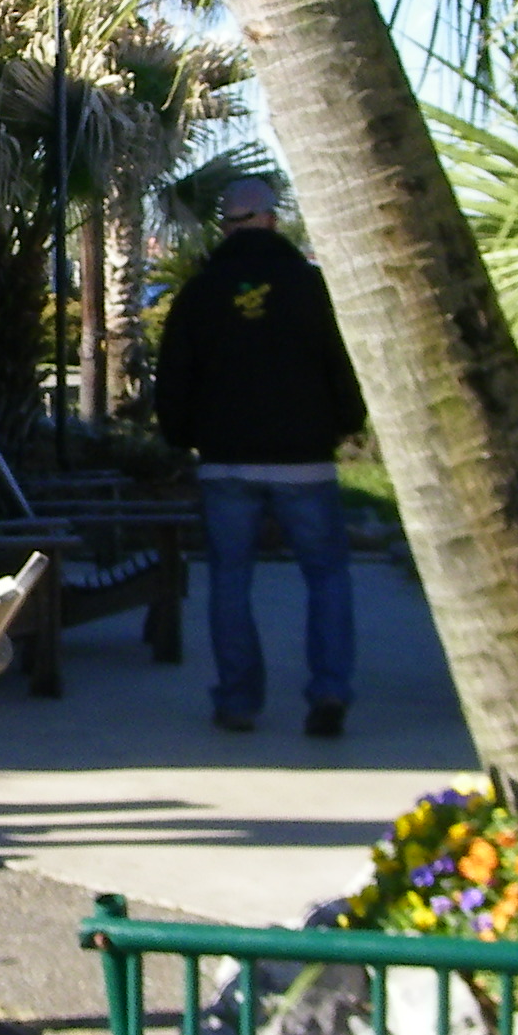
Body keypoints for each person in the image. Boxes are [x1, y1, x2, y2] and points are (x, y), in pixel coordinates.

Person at [153, 175, 365, 737]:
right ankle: (329, 691)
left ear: (227, 225)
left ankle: (239, 700)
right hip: (305, 458)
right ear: (271, 219)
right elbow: (340, 361)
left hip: (226, 459)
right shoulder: (310, 287)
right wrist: (347, 421)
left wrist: (182, 435)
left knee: (230, 578)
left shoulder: (201, 293)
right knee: (326, 575)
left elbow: (174, 376)